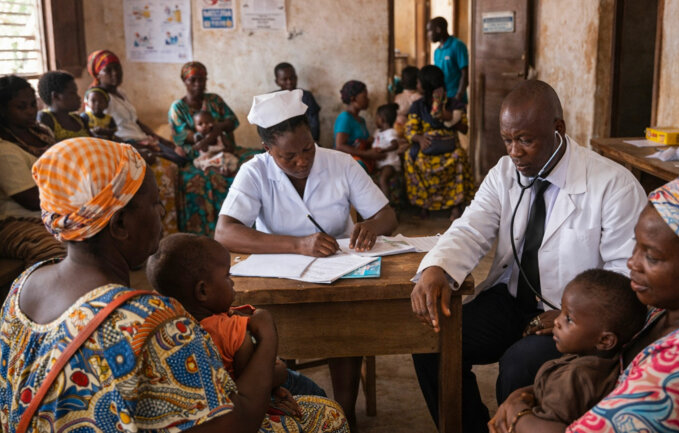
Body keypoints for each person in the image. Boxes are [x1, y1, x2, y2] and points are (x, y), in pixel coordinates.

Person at [0, 137, 349, 433]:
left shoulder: (22, 287)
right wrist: (269, 333)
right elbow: (237, 423)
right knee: (326, 414)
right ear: (120, 223)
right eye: (154, 204)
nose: (162, 214)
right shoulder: (150, 320)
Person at [409, 80, 647, 433]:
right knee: (432, 340)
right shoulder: (505, 173)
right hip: (512, 300)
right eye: (507, 140)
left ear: (558, 129)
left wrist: (572, 315)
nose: (514, 151)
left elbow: (625, 275)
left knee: (519, 366)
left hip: (573, 321)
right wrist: (436, 267)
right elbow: (471, 227)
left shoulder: (614, 186)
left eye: (525, 140)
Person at [500, 166, 679, 433]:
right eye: (636, 246)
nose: (632, 262)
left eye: (651, 256)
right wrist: (533, 392)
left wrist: (519, 414)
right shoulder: (674, 308)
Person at [215, 89, 398, 431]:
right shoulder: (254, 172)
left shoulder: (341, 163)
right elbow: (225, 233)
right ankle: (292, 407)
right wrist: (298, 244)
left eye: (307, 149)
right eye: (288, 156)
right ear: (267, 150)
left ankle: (345, 414)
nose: (302, 161)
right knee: (270, 326)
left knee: (343, 324)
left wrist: (370, 226)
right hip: (282, 277)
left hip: (341, 273)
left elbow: (387, 216)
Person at [147, 233, 328, 401]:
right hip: (246, 401)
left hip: (208, 400)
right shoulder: (232, 331)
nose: (232, 282)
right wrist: (279, 370)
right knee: (318, 394)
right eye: (227, 276)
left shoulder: (167, 321)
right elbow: (256, 382)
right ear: (203, 291)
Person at [488, 269, 647, 431]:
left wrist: (517, 414)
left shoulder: (575, 379)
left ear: (605, 340)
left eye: (569, 319)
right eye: (561, 312)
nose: (556, 321)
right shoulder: (598, 362)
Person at [87, 49, 180, 235]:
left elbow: (136, 121)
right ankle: (163, 231)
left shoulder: (121, 93)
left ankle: (176, 224)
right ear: (98, 73)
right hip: (127, 144)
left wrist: (160, 140)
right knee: (166, 171)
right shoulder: (97, 97)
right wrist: (134, 149)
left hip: (142, 140)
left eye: (118, 69)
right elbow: (102, 132)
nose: (115, 74)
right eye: (109, 70)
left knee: (180, 159)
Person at [168, 61, 260, 236]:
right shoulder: (178, 108)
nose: (198, 84)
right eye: (192, 80)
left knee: (257, 162)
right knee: (200, 179)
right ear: (184, 81)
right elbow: (185, 138)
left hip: (226, 150)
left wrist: (215, 131)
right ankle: (209, 234)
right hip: (196, 156)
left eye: (202, 80)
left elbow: (233, 121)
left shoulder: (214, 100)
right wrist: (217, 129)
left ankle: (254, 228)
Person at [0, 75, 65, 268]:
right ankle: (45, 296)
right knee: (55, 250)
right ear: (2, 110)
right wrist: (74, 191)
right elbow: (30, 200)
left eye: (32, 104)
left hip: (52, 210)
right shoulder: (4, 149)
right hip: (13, 221)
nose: (30, 111)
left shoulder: (42, 132)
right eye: (21, 107)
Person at [403, 65, 474, 220]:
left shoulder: (453, 104)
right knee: (411, 156)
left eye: (419, 82)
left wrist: (445, 116)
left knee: (460, 156)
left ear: (426, 84)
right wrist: (419, 138)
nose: (417, 85)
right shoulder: (418, 106)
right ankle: (424, 204)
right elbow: (410, 130)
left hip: (449, 149)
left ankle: (457, 205)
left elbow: (464, 128)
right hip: (426, 149)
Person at [333, 80, 383, 174]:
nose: (368, 99)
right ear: (353, 99)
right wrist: (367, 154)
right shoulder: (345, 118)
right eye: (365, 96)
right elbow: (340, 146)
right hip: (346, 161)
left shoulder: (361, 120)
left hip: (360, 158)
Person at [36, 70, 90, 141]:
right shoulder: (46, 118)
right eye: (72, 93)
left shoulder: (79, 120)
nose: (78, 97)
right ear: (56, 96)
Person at [274, 62, 321, 142]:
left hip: (305, 141)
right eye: (284, 79)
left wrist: (311, 141)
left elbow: (314, 125)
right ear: (277, 82)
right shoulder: (273, 99)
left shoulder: (306, 97)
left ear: (296, 78)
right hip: (281, 144)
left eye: (292, 78)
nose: (289, 82)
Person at [428, 16, 469, 101]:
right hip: (441, 98)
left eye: (429, 31)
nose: (428, 34)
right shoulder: (437, 51)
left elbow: (465, 73)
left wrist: (459, 95)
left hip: (455, 97)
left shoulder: (457, 45)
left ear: (438, 30)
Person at [372, 103, 405, 202]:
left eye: (376, 117)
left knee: (383, 179)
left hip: (389, 163)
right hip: (380, 163)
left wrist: (384, 150)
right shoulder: (378, 131)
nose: (375, 120)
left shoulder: (390, 132)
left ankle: (386, 204)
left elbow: (395, 145)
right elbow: (374, 140)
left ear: (382, 119)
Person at [192, 110, 239, 176]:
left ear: (213, 123)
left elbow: (230, 148)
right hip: (209, 159)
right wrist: (209, 137)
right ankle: (215, 169)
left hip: (221, 158)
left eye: (207, 123)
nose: (204, 126)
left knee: (233, 160)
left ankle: (226, 171)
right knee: (197, 162)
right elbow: (202, 149)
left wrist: (221, 153)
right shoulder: (198, 137)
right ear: (195, 127)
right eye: (200, 124)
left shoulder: (220, 134)